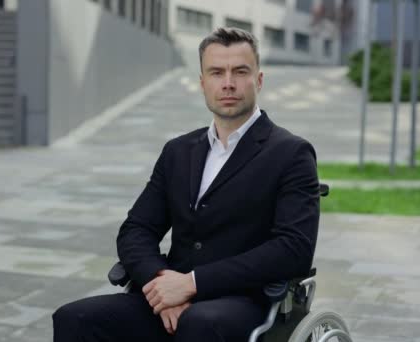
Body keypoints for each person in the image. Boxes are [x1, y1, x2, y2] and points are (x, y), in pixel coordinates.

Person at [52, 27, 320, 342]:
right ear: (203, 83)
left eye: (240, 71)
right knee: (74, 318)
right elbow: (136, 229)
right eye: (217, 72)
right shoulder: (178, 151)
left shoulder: (291, 153)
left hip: (242, 300)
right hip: (170, 293)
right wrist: (161, 285)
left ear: (258, 80)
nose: (228, 83)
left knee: (199, 324)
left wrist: (192, 284)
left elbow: (293, 250)